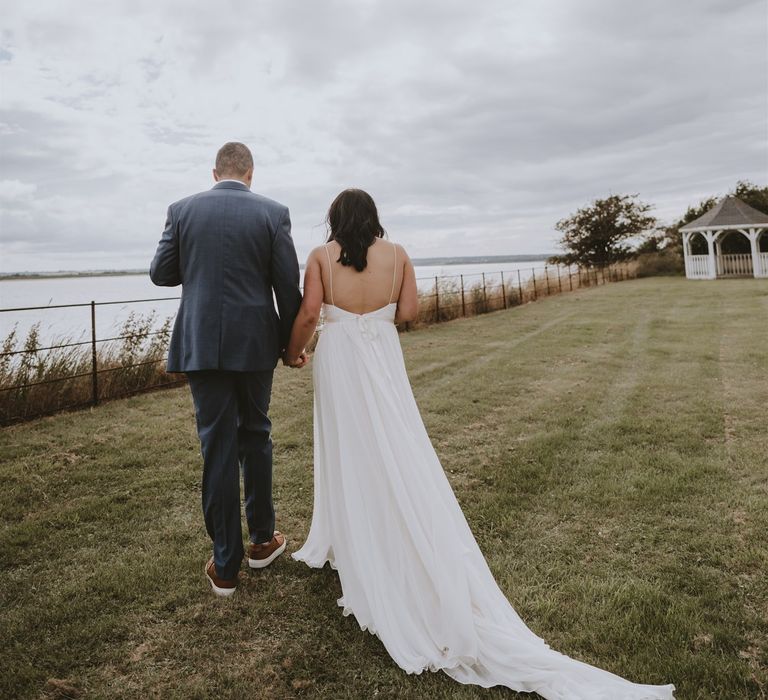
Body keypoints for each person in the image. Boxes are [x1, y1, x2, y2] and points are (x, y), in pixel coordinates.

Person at [284, 188, 676, 699]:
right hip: (382, 359)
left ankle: (355, 533)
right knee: (396, 445)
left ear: (333, 219)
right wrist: (372, 318)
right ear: (374, 218)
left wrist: (295, 352)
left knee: (348, 445)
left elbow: (310, 313)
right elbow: (408, 312)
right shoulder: (399, 255)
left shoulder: (319, 257)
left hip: (339, 361)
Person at [150, 142, 304, 597]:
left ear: (215, 172)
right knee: (256, 433)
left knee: (216, 444)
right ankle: (261, 542)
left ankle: (225, 566)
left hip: (201, 344)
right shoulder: (273, 214)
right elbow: (287, 287)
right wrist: (291, 345)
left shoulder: (182, 210)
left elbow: (161, 273)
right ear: (250, 174)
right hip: (256, 344)